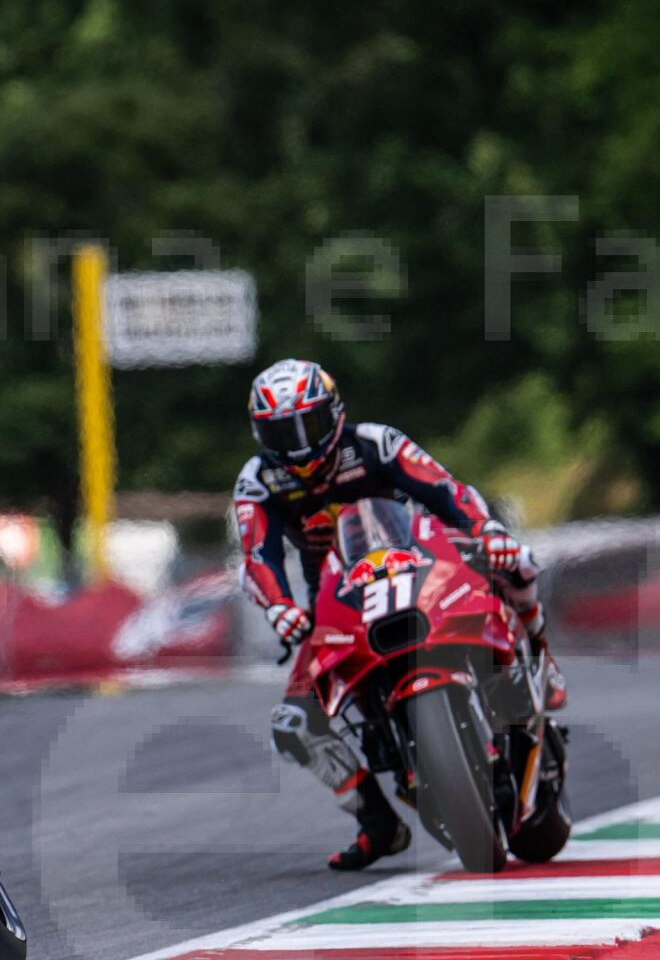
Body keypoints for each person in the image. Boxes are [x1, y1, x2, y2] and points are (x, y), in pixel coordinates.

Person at [235, 358, 562, 871]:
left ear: (334, 413)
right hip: (338, 599)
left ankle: (538, 653)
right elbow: (258, 557)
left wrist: (485, 531)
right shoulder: (258, 481)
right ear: (261, 435)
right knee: (294, 724)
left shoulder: (376, 443)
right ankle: (378, 823)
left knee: (515, 562)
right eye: (282, 432)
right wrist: (280, 606)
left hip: (425, 560)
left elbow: (445, 488)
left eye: (308, 425)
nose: (298, 446)